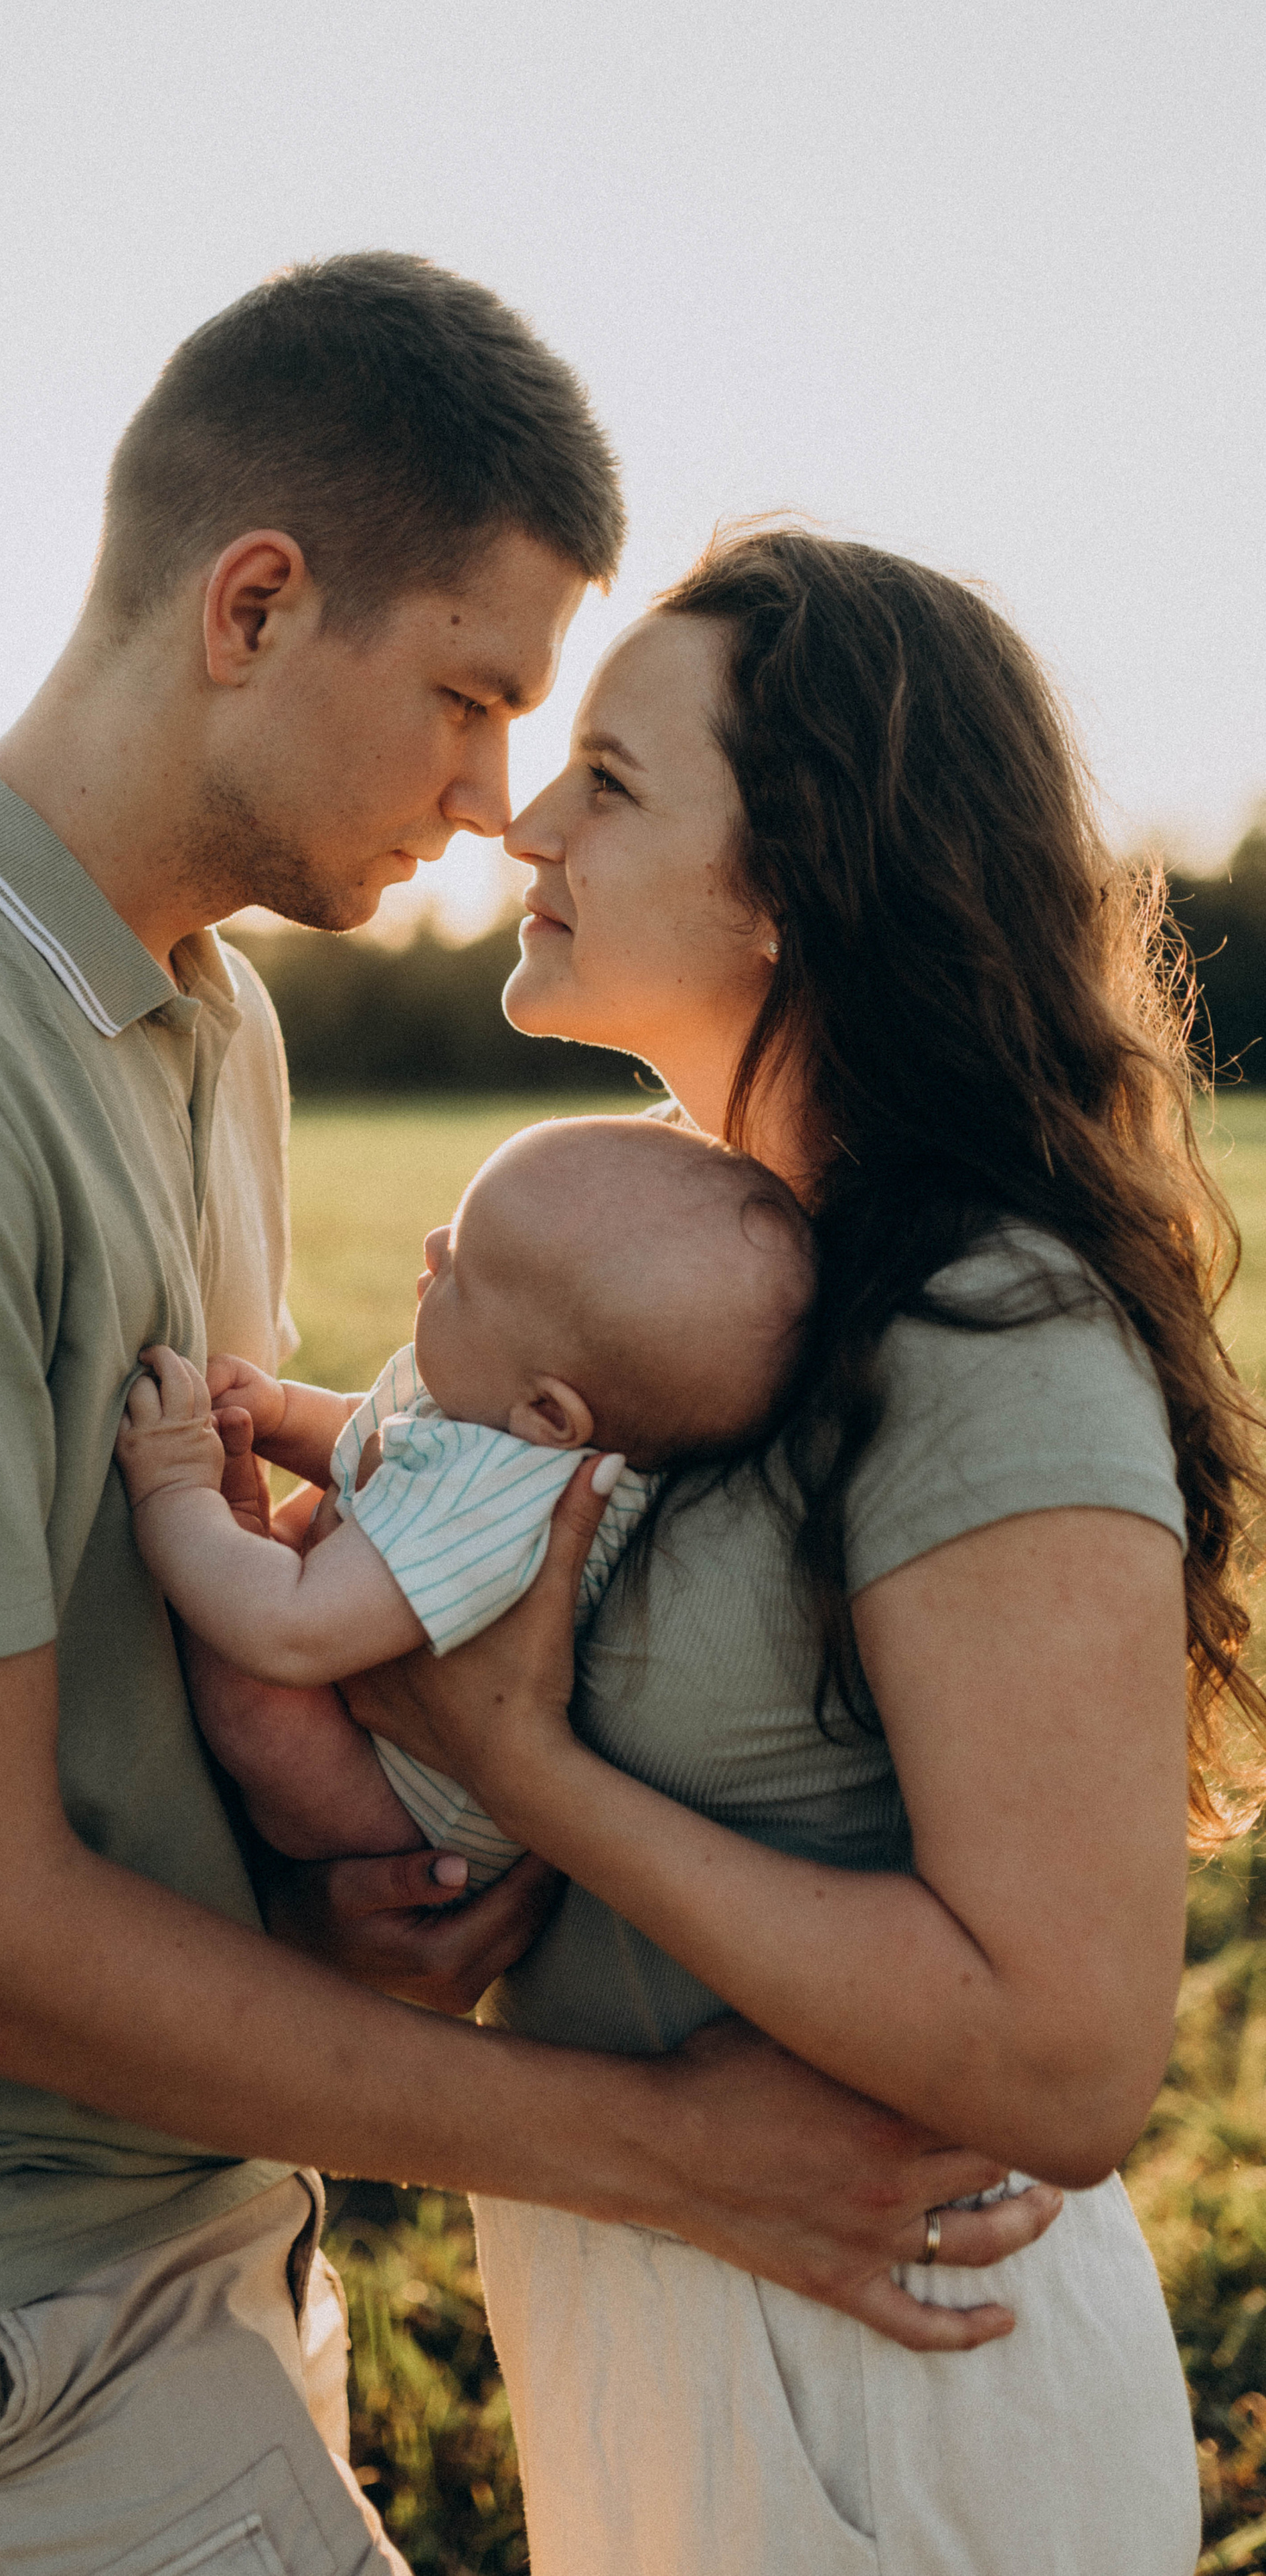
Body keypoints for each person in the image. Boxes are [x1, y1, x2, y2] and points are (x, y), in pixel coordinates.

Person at [0, 262, 1056, 2576]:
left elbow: (167, 1651)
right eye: (470, 698)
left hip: (174, 2181)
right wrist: (668, 2141)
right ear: (256, 602)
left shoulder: (207, 1017)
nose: (494, 805)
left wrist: (364, 1889)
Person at [339, 524, 1263, 2572]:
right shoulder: (668, 1263)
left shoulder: (973, 1322)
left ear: (788, 882)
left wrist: (528, 1777)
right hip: (662, 2307)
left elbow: (1065, 2052)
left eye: (612, 779)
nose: (520, 822)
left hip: (897, 2388)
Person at [116, 1118, 813, 1883]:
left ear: (550, 1416)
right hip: (397, 1712)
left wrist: (175, 1485)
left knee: (260, 1704)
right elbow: (390, 1436)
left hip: (402, 1805)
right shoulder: (505, 1412)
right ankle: (236, 1547)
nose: (438, 1242)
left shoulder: (502, 1492)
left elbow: (291, 1633)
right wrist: (283, 1413)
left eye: (468, 1268)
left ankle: (228, 1539)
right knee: (258, 1590)